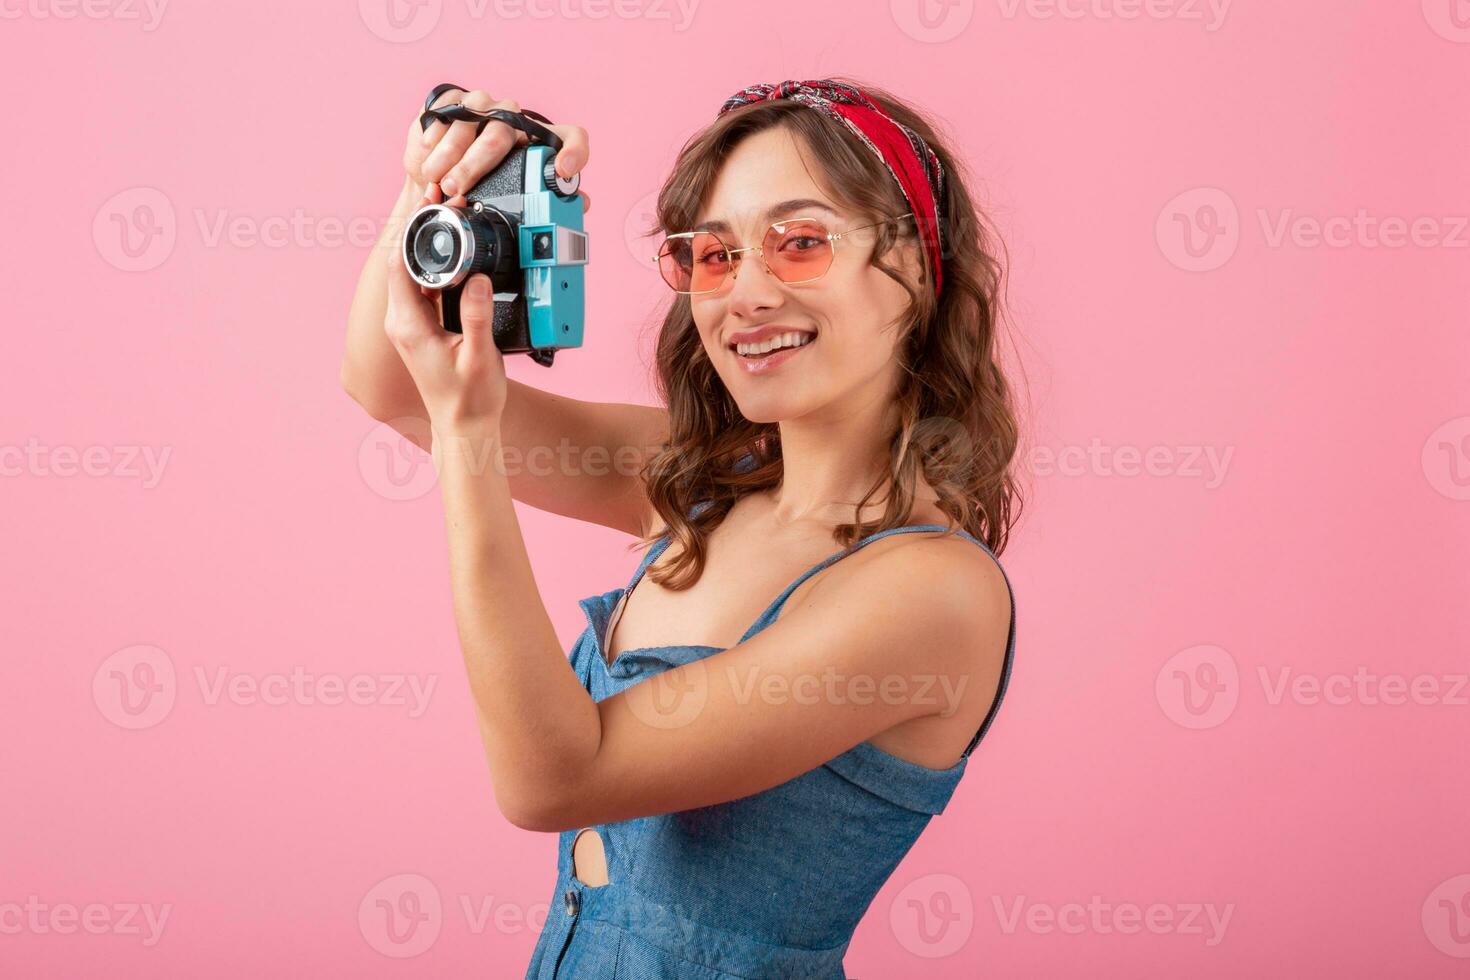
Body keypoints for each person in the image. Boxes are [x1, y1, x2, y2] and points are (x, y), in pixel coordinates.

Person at [341, 75, 1023, 980]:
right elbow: (386, 382)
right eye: (712, 256)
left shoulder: (931, 594)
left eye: (801, 244)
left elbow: (552, 781)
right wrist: (441, 186)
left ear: (913, 269)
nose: (743, 295)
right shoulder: (707, 479)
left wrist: (469, 440)